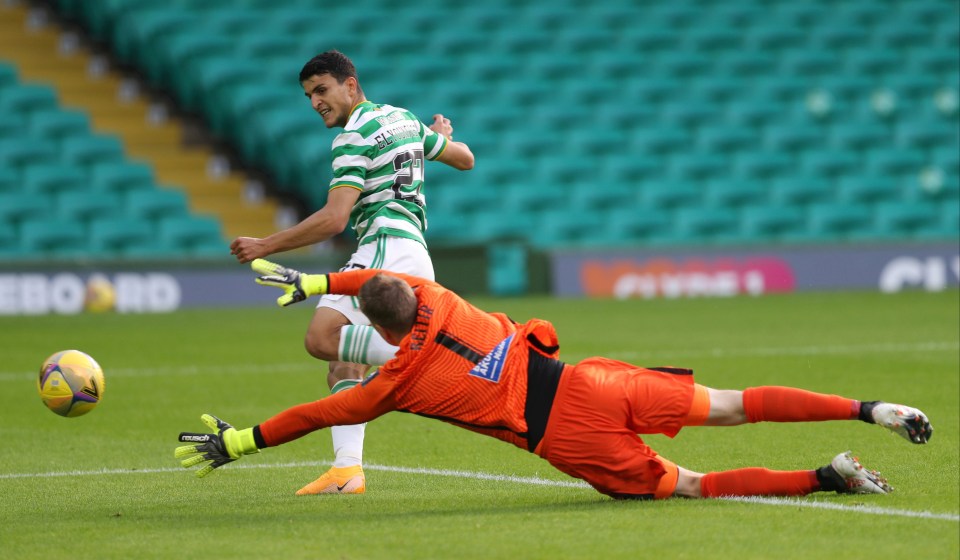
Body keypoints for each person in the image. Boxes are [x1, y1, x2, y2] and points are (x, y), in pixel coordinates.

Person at [175, 260, 933, 500]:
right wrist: (317, 279)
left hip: (566, 435)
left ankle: (827, 477)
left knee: (695, 484)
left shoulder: (395, 381)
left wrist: (238, 440)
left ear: (380, 328)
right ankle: (869, 409)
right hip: (587, 381)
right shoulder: (440, 296)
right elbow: (378, 275)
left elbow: (316, 411)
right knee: (733, 405)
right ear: (414, 295)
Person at [228, 50, 475, 495]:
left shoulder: (353, 136)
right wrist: (436, 137)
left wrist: (265, 245)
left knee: (321, 338)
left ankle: (438, 366)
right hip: (416, 253)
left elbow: (334, 219)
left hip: (383, 247)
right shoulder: (404, 120)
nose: (315, 102)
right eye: (308, 96)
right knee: (345, 360)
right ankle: (347, 471)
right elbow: (465, 159)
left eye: (321, 90)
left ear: (351, 85)